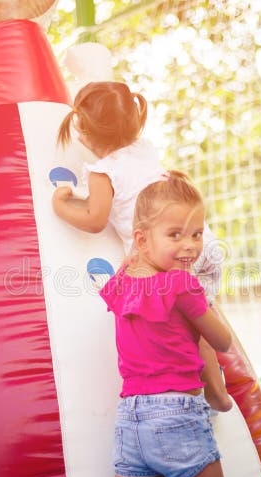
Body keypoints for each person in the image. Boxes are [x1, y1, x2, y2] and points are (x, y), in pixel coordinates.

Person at [52, 82, 231, 412]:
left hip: (170, 249)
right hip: (201, 240)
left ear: (83, 131)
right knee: (200, 315)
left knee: (184, 322)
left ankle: (212, 390)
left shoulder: (100, 172)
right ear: (134, 122)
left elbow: (95, 219)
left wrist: (61, 205)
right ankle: (218, 388)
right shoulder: (144, 149)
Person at [99, 174, 233, 477]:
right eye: (175, 235)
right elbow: (221, 342)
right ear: (142, 239)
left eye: (197, 233)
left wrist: (141, 254)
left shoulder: (122, 281)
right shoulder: (181, 284)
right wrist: (205, 301)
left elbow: (131, 271)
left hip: (131, 421)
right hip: (179, 417)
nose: (190, 246)